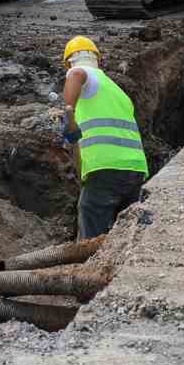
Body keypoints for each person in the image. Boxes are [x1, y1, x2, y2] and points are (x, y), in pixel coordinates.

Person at [59, 35, 148, 239]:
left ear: (69, 63)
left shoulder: (82, 73)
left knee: (91, 216)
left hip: (107, 166)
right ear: (98, 60)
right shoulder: (116, 90)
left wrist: (68, 112)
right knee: (125, 231)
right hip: (136, 169)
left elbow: (76, 75)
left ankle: (87, 264)